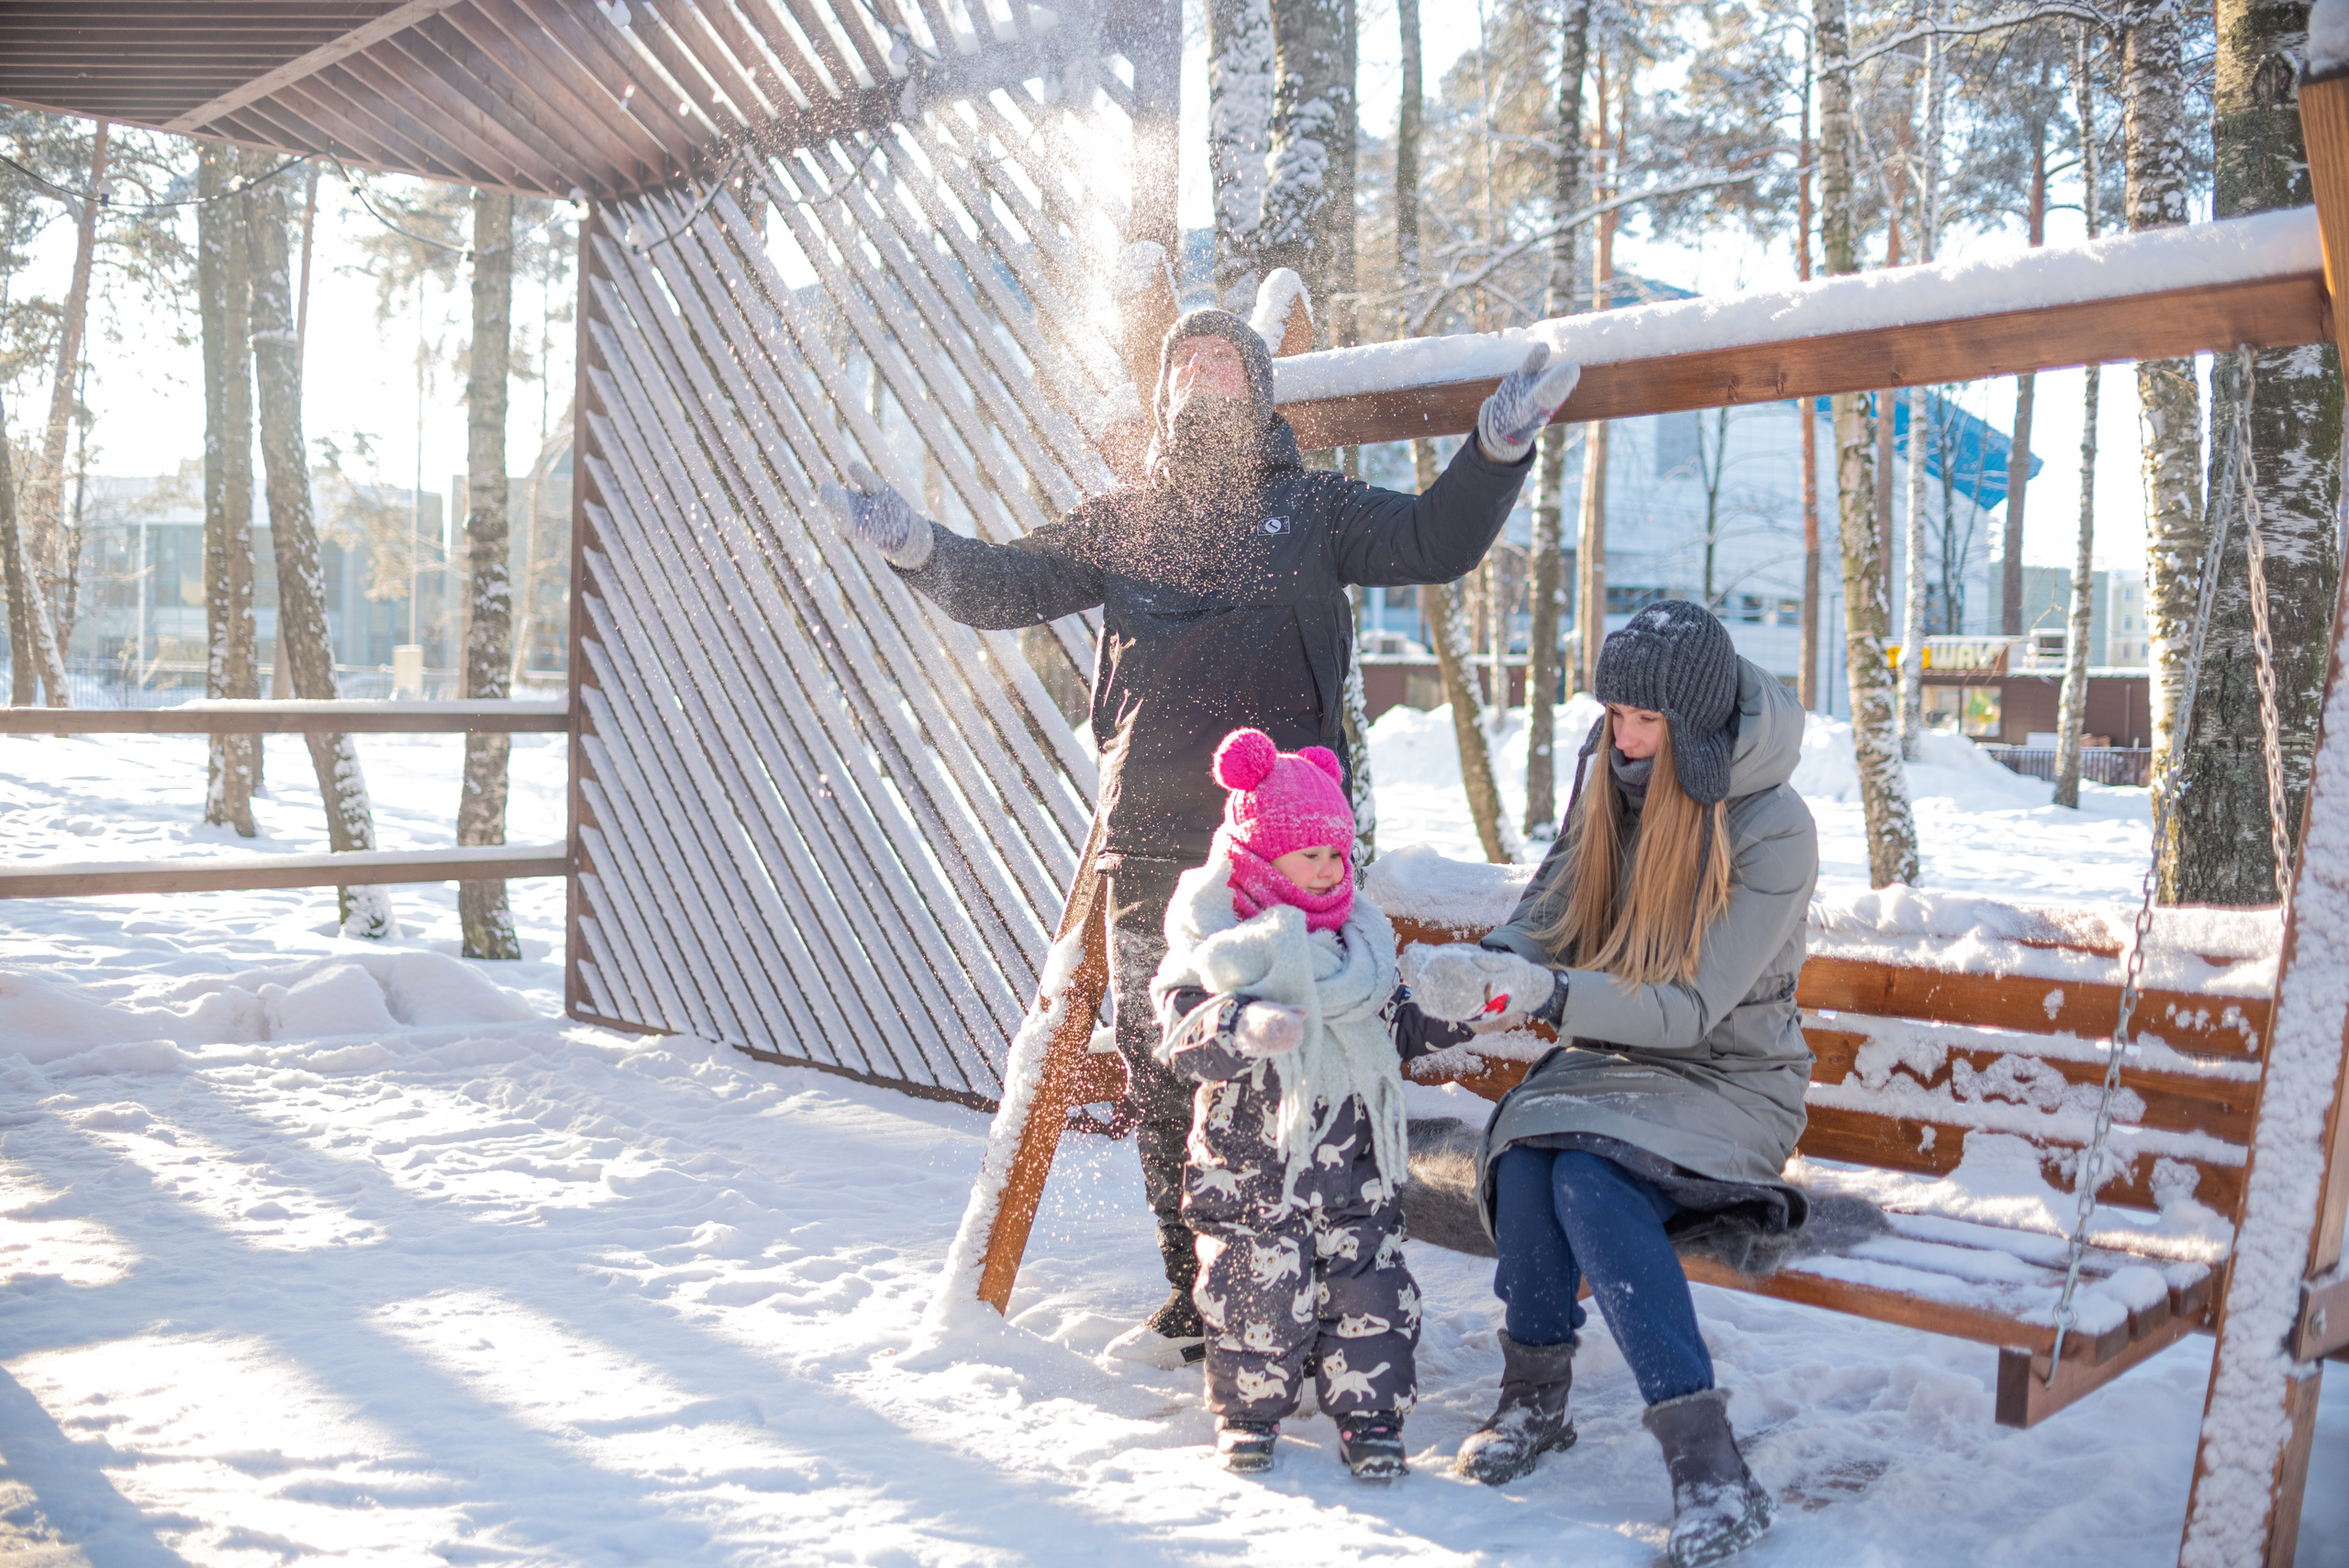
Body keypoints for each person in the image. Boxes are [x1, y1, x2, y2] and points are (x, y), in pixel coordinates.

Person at [822, 308, 1578, 1366]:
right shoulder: (1124, 519)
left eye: (1224, 356)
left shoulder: (1312, 509)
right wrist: (915, 546)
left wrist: (1497, 446)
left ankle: (1304, 1279)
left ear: (1256, 390)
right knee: (1167, 1061)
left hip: (1281, 847)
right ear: (1166, 394)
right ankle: (1200, 1287)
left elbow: (1433, 541)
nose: (1202, 367)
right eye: (1185, 358)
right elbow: (1005, 585)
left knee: (1297, 1053)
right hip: (1147, 839)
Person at [1402, 600, 1816, 1568]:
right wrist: (1495, 962)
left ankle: (1710, 1468)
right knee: (1529, 1155)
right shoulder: (1610, 772)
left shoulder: (1772, 824)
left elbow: (1690, 1008)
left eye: (1645, 720)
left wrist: (1549, 994)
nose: (1622, 738)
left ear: (1696, 722)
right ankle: (1534, 1401)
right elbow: (1550, 907)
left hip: (1730, 1080)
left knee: (1586, 1174)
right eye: (1614, 714)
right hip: (1616, 1067)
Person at [1150, 728, 1465, 1479]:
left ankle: (1371, 1415)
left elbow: (1396, 1024)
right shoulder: (1215, 941)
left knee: (1371, 1290)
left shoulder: (1362, 945)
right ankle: (1248, 1413)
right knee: (1254, 1288)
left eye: (1337, 854)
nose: (1329, 870)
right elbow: (1186, 1035)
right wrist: (1245, 1027)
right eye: (1310, 854)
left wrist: (1456, 1012)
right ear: (1261, 856)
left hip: (1355, 1166)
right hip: (1250, 1170)